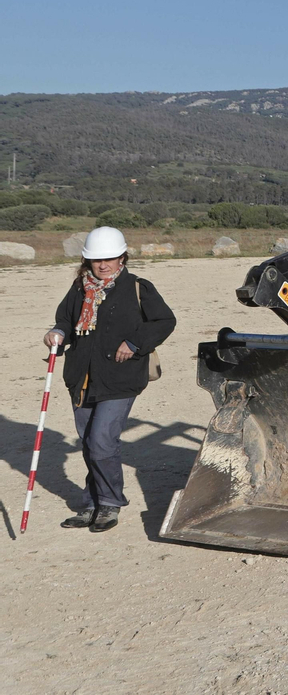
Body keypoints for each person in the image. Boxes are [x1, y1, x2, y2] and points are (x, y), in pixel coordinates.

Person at [43, 227, 175, 533]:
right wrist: (58, 333)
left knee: (102, 441)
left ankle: (110, 503)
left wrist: (134, 343)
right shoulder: (79, 288)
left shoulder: (138, 287)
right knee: (90, 444)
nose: (103, 265)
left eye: (110, 258)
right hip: (81, 378)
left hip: (120, 378)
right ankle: (92, 503)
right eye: (96, 259)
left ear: (122, 257)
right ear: (87, 261)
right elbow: (65, 319)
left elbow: (165, 321)